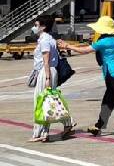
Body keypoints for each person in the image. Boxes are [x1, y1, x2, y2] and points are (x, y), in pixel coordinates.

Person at [58, 16, 114, 138]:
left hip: (111, 72)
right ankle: (99, 125)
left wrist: (67, 46)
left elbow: (85, 50)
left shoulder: (105, 41)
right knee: (109, 99)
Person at [29, 15, 75, 143]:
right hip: (50, 71)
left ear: (43, 27)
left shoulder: (44, 40)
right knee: (48, 101)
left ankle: (39, 133)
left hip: (46, 72)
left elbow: (46, 60)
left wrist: (47, 77)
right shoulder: (49, 39)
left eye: (36, 25)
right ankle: (45, 132)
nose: (34, 27)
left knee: (40, 102)